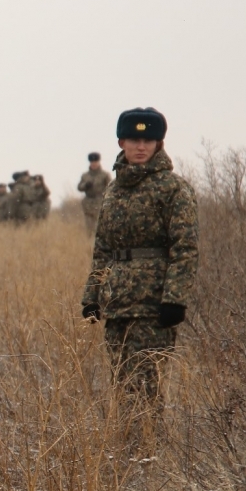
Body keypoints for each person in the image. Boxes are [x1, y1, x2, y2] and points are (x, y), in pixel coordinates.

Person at [81, 107, 198, 411]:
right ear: (121, 142)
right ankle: (125, 452)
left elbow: (184, 248)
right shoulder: (113, 191)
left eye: (149, 140)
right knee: (122, 386)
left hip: (153, 306)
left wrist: (175, 299)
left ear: (159, 143)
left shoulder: (173, 189)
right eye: (133, 139)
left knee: (146, 388)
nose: (141, 146)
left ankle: (148, 453)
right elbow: (103, 248)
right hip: (117, 304)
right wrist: (92, 296)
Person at [77, 152, 111, 233]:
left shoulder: (105, 175)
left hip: (101, 202)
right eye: (92, 162)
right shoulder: (85, 175)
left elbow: (110, 187)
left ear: (99, 162)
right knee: (89, 226)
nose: (94, 164)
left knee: (100, 225)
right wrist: (85, 185)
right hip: (88, 203)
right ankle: (89, 242)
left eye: (95, 162)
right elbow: (79, 187)